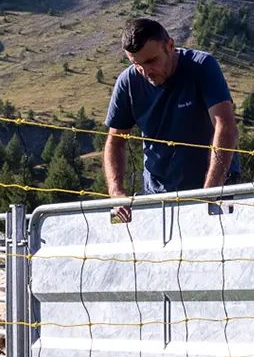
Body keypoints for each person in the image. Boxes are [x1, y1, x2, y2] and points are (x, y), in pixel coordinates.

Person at [102, 17, 239, 223]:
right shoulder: (128, 82)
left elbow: (225, 126)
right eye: (137, 64)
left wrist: (211, 189)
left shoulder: (201, 66)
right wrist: (116, 192)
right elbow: (115, 141)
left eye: (151, 61)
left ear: (170, 46)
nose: (146, 71)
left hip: (216, 191)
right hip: (159, 196)